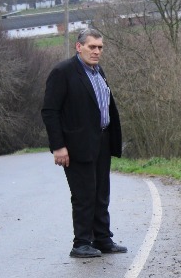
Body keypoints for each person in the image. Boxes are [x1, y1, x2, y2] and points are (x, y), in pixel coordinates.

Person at [41, 28, 127, 258]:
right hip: (76, 145)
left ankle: (102, 239)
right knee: (84, 194)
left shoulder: (98, 72)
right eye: (92, 47)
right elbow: (50, 111)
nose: (96, 51)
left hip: (102, 141)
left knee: (101, 193)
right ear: (79, 47)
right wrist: (59, 146)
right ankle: (81, 243)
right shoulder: (63, 72)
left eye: (100, 47)